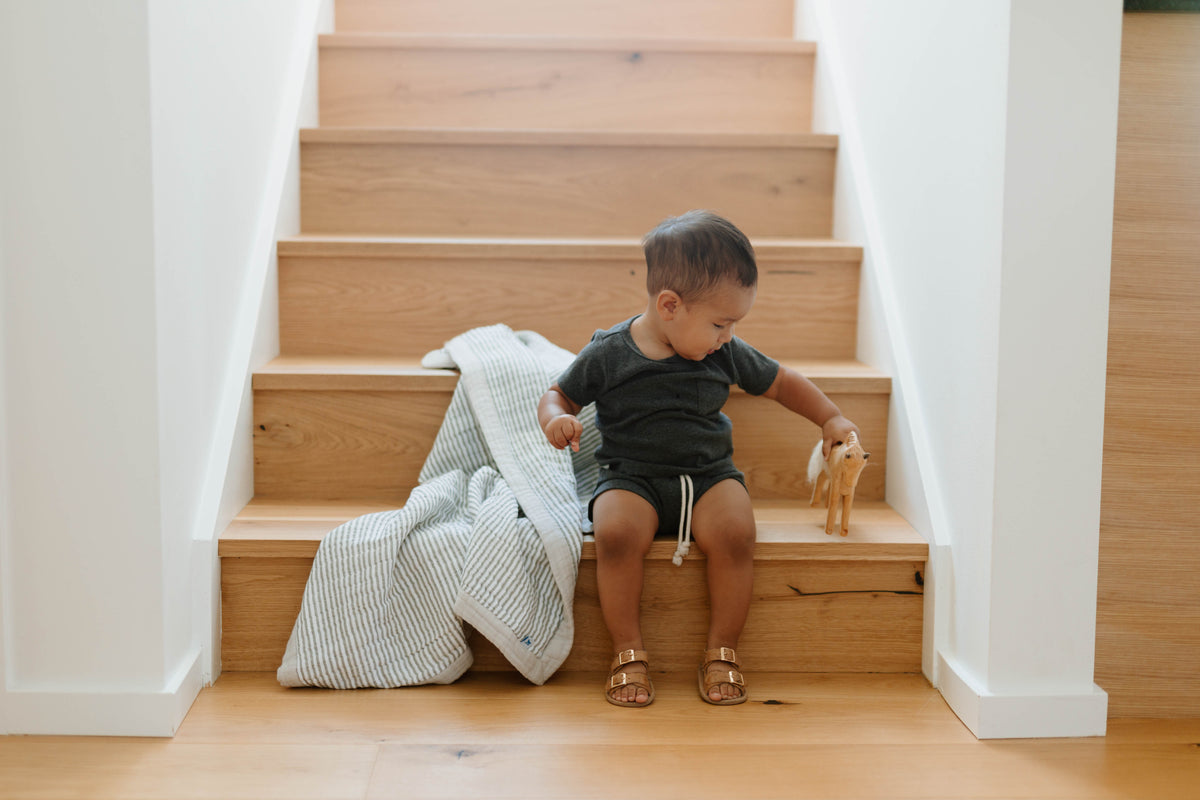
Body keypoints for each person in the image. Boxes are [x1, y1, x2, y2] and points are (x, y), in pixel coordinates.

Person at [537, 210, 860, 707]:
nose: (727, 336)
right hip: (632, 477)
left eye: (732, 325)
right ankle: (628, 650)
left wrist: (830, 418)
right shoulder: (609, 352)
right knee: (616, 534)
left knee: (736, 533)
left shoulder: (721, 352)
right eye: (720, 323)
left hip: (709, 476)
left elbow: (780, 382)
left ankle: (722, 649)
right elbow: (559, 394)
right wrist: (557, 418)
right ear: (670, 306)